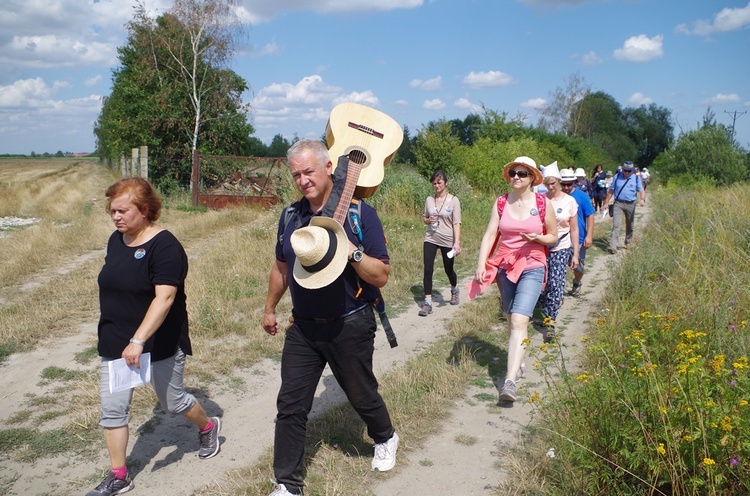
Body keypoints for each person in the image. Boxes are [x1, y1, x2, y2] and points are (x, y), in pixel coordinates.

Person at [262, 139, 398, 496]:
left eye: (308, 171)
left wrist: (350, 253)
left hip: (349, 322)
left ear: (328, 168)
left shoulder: (359, 214)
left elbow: (381, 275)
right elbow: (281, 269)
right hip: (303, 328)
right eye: (296, 175)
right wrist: (269, 308)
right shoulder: (291, 217)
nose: (303, 180)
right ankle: (288, 484)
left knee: (361, 394)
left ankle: (385, 436)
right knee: (290, 405)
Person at [89, 178, 221, 496]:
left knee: (171, 401)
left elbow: (164, 298)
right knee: (114, 410)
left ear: (145, 210)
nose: (116, 217)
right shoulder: (116, 240)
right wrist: (126, 341)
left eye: (123, 210)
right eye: (112, 211)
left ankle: (208, 425)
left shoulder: (165, 246)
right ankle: (119, 475)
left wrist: (138, 340)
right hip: (117, 342)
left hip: (158, 342)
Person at [468, 156, 557, 403]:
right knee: (511, 318)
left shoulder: (542, 203)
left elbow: (553, 236)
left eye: (522, 174)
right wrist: (481, 264)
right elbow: (489, 236)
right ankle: (519, 359)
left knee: (519, 319)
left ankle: (509, 381)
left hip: (532, 264)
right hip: (506, 267)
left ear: (531, 179)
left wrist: (537, 239)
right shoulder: (500, 203)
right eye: (513, 173)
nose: (516, 177)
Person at [535, 163, 579, 342]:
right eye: (547, 183)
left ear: (559, 182)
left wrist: (575, 253)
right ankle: (545, 311)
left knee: (556, 283)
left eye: (553, 183)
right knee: (541, 285)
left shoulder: (569, 201)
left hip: (561, 247)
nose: (550, 187)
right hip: (542, 246)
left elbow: (574, 229)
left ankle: (551, 322)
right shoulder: (540, 199)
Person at [419, 170, 462, 316]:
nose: (436, 185)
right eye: (434, 183)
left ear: (445, 183)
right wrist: (428, 220)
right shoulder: (429, 200)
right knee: (428, 269)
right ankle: (428, 303)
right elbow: (424, 218)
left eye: (439, 182)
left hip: (447, 239)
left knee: (448, 269)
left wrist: (457, 242)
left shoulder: (454, 200)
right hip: (431, 237)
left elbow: (456, 223)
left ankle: (454, 288)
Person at [560, 169, 595, 297]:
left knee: (578, 268)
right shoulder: (556, 197)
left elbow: (590, 215)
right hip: (560, 239)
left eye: (569, 184)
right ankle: (557, 293)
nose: (566, 187)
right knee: (559, 268)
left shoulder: (582, 196)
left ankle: (577, 282)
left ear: (574, 182)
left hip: (579, 238)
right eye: (563, 184)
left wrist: (589, 235)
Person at [603, 160, 645, 253]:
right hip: (618, 203)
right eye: (625, 170)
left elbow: (641, 190)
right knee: (616, 224)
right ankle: (613, 246)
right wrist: (606, 203)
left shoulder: (636, 179)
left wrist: (642, 199)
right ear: (622, 169)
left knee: (630, 224)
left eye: (629, 171)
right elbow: (611, 191)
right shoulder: (617, 177)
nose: (626, 173)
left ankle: (628, 241)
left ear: (632, 171)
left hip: (630, 204)